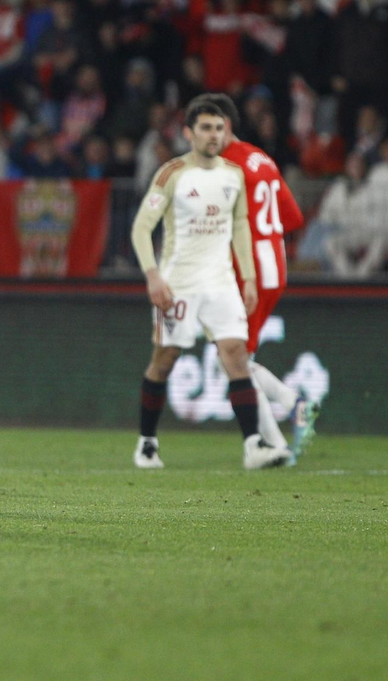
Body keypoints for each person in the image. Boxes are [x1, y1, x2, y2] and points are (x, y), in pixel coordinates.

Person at [129, 96, 291, 471]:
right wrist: (153, 276)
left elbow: (239, 228)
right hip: (179, 284)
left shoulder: (233, 175)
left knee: (236, 355)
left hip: (221, 283)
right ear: (189, 133)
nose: (213, 135)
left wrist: (248, 277)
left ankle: (254, 446)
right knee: (164, 360)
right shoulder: (172, 174)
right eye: (205, 128)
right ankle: (147, 443)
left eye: (219, 128)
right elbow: (141, 228)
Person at [207, 94, 320, 458]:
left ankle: (290, 409)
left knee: (233, 360)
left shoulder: (226, 166)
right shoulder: (262, 158)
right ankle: (280, 435)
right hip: (275, 267)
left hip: (248, 271)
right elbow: (294, 219)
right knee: (236, 358)